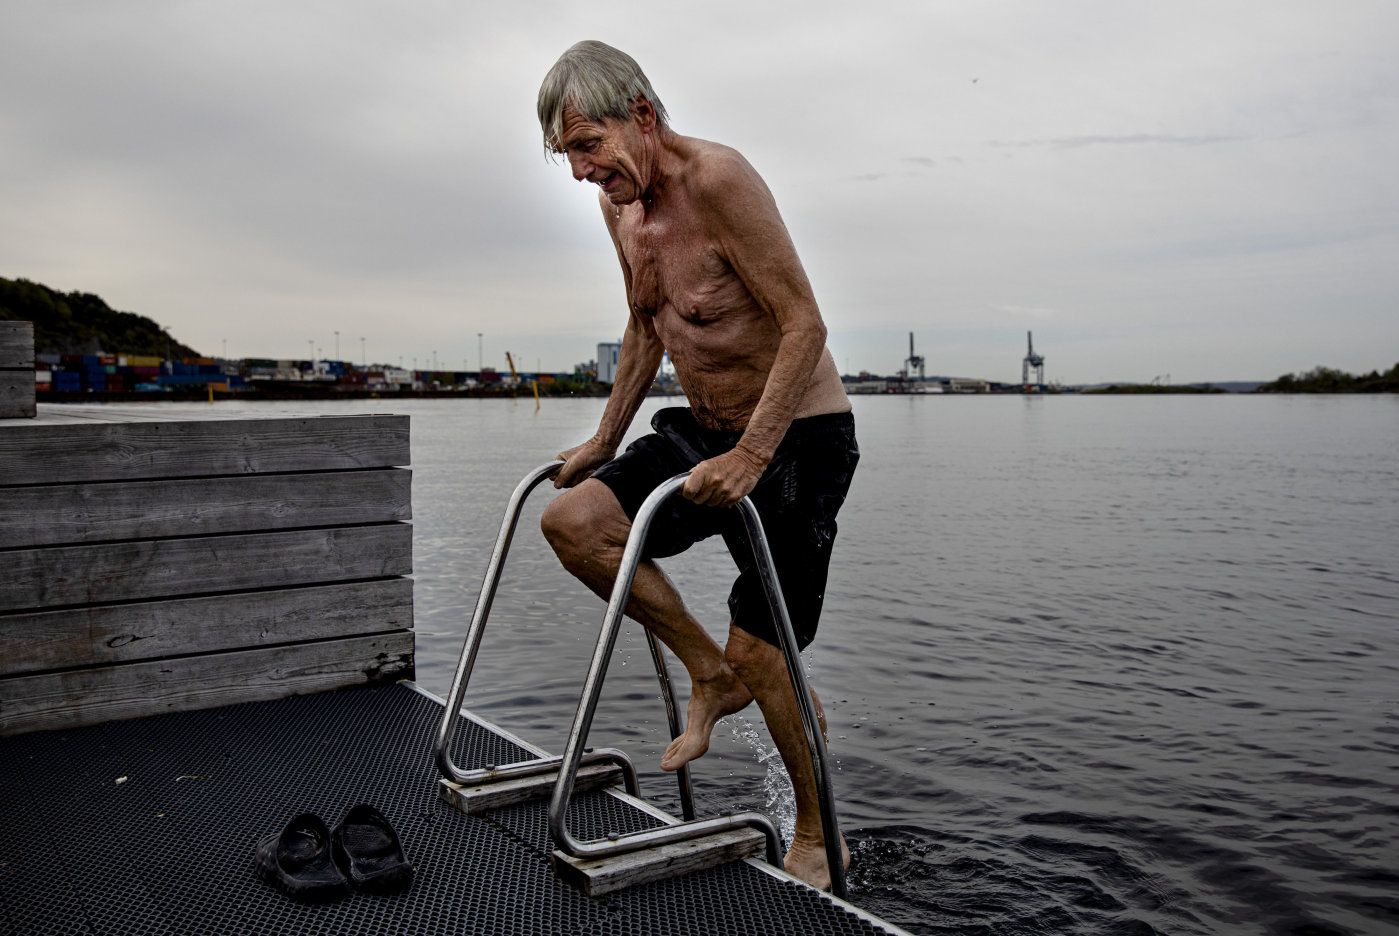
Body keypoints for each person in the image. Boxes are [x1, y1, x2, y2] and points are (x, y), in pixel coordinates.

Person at [535, 40, 858, 890]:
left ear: (642, 115)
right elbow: (645, 326)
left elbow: (804, 323)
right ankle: (706, 671)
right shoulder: (619, 206)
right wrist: (604, 440)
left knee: (766, 655)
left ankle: (819, 836)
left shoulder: (718, 180)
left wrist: (754, 452)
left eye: (587, 145)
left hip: (797, 439)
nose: (581, 172)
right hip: (706, 429)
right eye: (568, 156)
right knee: (573, 524)